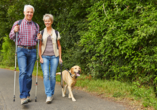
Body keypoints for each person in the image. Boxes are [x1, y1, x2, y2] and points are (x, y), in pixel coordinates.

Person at [9, 5, 40, 105]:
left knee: (29, 74)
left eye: (31, 12)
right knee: (23, 72)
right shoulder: (18, 23)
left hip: (32, 51)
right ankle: (22, 97)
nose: (29, 14)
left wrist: (39, 38)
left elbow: (36, 40)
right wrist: (14, 31)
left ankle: (27, 94)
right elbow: (11, 36)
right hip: (21, 50)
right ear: (24, 12)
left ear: (33, 13)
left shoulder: (36, 25)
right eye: (28, 12)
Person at [38, 14, 63, 104]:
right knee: (45, 75)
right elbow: (39, 46)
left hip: (54, 57)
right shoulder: (41, 32)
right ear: (44, 22)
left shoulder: (56, 32)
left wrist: (60, 57)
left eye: (48, 21)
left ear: (51, 22)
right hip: (44, 56)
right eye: (45, 21)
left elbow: (59, 46)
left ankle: (51, 93)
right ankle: (48, 95)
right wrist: (40, 57)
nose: (47, 22)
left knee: (52, 76)